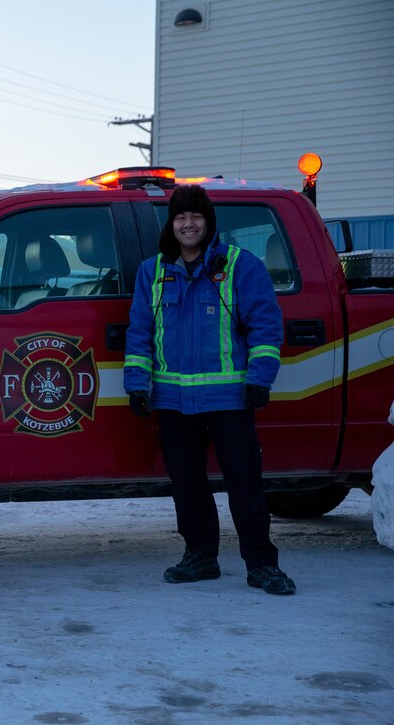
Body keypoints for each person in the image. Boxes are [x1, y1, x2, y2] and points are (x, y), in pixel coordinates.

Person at [124, 184, 295, 595]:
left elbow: (266, 327)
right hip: (173, 400)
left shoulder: (239, 266)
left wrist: (259, 379)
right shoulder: (153, 271)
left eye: (196, 216)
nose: (188, 224)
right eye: (181, 217)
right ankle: (200, 557)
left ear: (209, 222)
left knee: (244, 483)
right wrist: (137, 384)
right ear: (172, 224)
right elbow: (140, 333)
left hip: (229, 399)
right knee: (187, 484)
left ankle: (262, 564)